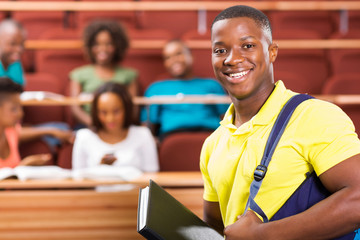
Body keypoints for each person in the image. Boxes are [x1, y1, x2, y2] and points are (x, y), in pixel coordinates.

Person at [201, 5, 360, 239]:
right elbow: (216, 227)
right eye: (220, 50)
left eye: (247, 46)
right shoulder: (212, 144)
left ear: (272, 52)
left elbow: (357, 199)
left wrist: (262, 235)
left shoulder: (314, 115)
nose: (232, 59)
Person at [0, 19, 74, 152]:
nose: (19, 49)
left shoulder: (16, 65)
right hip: (7, 129)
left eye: (21, 44)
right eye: (12, 44)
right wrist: (48, 131)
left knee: (62, 128)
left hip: (13, 124)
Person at [141, 39, 229, 139]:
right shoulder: (156, 89)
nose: (173, 60)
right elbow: (148, 127)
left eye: (178, 54)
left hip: (211, 137)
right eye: (168, 57)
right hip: (172, 137)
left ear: (191, 56)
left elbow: (227, 120)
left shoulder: (212, 85)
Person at [72, 82, 158, 172]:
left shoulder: (143, 134)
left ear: (126, 109)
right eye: (104, 112)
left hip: (136, 186)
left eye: (116, 111)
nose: (110, 119)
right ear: (96, 112)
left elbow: (152, 175)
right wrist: (99, 167)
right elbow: (79, 179)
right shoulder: (84, 137)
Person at [69, 20, 138, 128]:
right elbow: (75, 108)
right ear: (90, 47)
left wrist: (115, 125)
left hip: (120, 126)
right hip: (89, 125)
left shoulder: (129, 75)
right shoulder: (79, 74)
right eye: (97, 44)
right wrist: (94, 123)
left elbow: (132, 108)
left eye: (109, 44)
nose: (103, 49)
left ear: (117, 46)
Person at [0, 77, 51, 167]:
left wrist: (25, 164)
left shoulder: (11, 132)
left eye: (21, 107)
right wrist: (23, 165)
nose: (20, 114)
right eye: (14, 109)